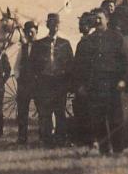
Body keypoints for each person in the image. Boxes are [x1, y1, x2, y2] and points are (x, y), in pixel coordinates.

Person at [79, 8, 128, 153]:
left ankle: (118, 149)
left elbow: (125, 62)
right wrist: (82, 84)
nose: (97, 21)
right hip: (95, 84)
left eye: (100, 18)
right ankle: (104, 149)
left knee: (115, 118)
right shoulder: (89, 40)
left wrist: (123, 80)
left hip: (113, 84)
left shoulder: (117, 37)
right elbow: (82, 65)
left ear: (107, 19)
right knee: (98, 119)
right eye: (95, 18)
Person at [32, 13, 73, 146]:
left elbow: (70, 64)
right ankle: (47, 139)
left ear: (59, 25)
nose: (54, 26)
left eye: (57, 23)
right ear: (47, 25)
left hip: (59, 82)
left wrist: (67, 82)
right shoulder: (38, 44)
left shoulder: (65, 44)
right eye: (52, 23)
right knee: (46, 111)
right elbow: (33, 64)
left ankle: (61, 138)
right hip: (45, 82)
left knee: (60, 110)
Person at [70, 12, 95, 145]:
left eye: (83, 24)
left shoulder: (91, 41)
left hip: (88, 83)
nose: (80, 26)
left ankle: (89, 139)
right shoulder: (83, 41)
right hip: (81, 83)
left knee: (88, 111)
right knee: (81, 110)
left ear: (89, 25)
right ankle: (83, 139)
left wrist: (84, 84)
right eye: (80, 24)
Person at [15, 21, 39, 144]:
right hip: (24, 84)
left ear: (36, 32)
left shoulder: (42, 46)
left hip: (38, 84)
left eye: (32, 31)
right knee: (22, 111)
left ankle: (44, 136)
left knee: (42, 110)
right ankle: (22, 137)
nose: (30, 34)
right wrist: (19, 79)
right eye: (27, 31)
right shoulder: (23, 48)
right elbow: (17, 66)